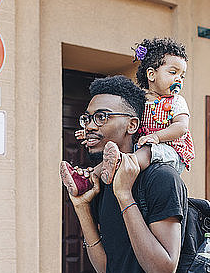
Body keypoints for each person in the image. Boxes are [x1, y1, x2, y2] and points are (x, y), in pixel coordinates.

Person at [64, 75, 187, 273]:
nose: (90, 125)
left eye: (101, 117)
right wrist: (81, 207)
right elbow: (109, 272)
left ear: (132, 125)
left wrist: (123, 193)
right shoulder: (103, 182)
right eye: (87, 118)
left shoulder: (161, 179)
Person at [59, 37, 194, 196]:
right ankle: (85, 180)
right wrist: (92, 133)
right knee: (116, 157)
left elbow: (181, 127)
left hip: (170, 150)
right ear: (151, 74)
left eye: (182, 76)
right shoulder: (140, 100)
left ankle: (120, 167)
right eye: (173, 72)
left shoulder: (176, 101)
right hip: (141, 149)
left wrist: (157, 137)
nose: (178, 78)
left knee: (145, 152)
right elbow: (125, 123)